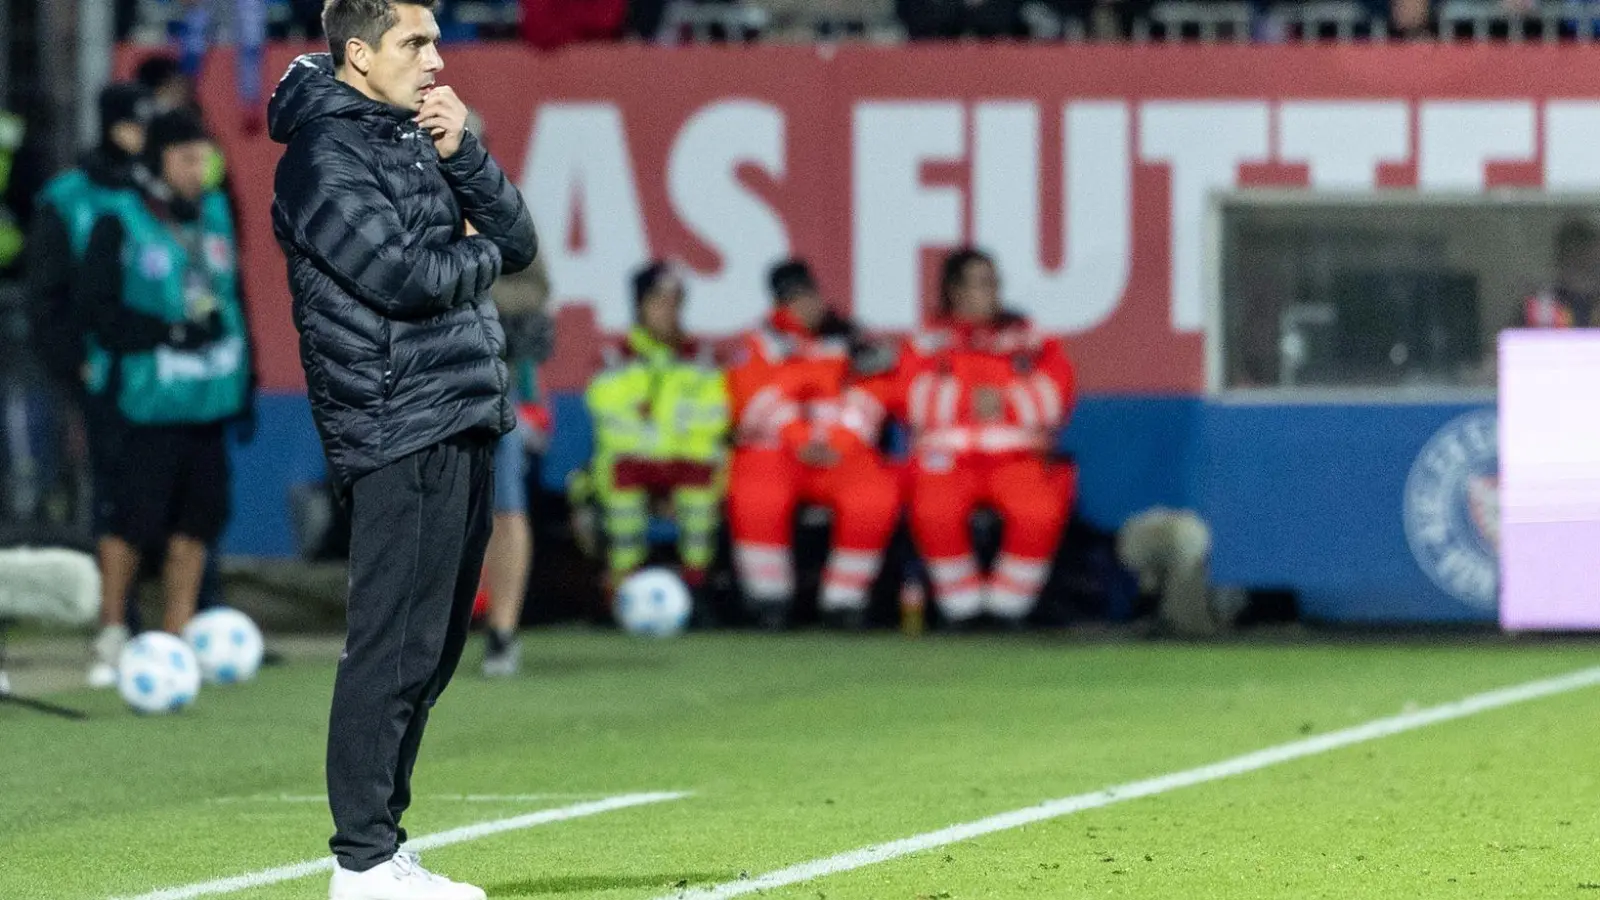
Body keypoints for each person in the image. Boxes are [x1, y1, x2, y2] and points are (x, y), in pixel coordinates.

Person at [267, 0, 537, 895]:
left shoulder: (418, 137)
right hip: (391, 416)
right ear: (356, 53)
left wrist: (468, 158)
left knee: (432, 648)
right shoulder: (322, 157)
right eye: (414, 42)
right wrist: (481, 252)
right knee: (390, 644)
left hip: (457, 404)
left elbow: (520, 239)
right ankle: (362, 861)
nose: (435, 58)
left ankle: (386, 846)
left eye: (433, 39)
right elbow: (404, 279)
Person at [74, 109, 254, 683]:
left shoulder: (218, 214)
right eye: (185, 158)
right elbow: (97, 312)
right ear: (156, 161)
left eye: (202, 157)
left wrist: (245, 383)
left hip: (207, 399)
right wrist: (168, 332)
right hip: (144, 405)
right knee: (132, 521)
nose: (198, 170)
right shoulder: (119, 220)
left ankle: (175, 643)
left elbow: (235, 297)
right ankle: (110, 634)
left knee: (197, 521)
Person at [884, 248, 1077, 625]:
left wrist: (1001, 401)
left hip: (1018, 458)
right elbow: (909, 398)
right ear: (955, 291)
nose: (993, 292)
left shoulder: (1031, 339)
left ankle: (1009, 609)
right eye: (982, 284)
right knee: (934, 510)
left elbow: (1057, 396)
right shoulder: (924, 342)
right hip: (944, 460)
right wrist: (973, 400)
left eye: (994, 283)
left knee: (1038, 510)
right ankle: (962, 609)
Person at [725, 259, 901, 628]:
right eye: (794, 298)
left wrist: (840, 439)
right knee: (756, 488)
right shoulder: (758, 343)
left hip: (842, 450)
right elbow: (754, 400)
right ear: (778, 303)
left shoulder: (853, 338)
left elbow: (876, 391)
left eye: (809, 295)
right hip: (780, 450)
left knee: (874, 493)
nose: (806, 305)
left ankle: (844, 600)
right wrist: (799, 438)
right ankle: (769, 600)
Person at [581, 262, 728, 602]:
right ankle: (623, 588)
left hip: (685, 463)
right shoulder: (616, 359)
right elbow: (611, 422)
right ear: (640, 306)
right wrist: (654, 458)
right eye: (658, 302)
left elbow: (712, 419)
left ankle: (696, 588)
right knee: (620, 482)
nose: (667, 311)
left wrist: (672, 463)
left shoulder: (701, 359)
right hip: (633, 464)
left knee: (700, 486)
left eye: (674, 302)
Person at [1517, 219, 1600, 327]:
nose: (1581, 261)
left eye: (1588, 259)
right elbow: (1511, 340)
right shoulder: (1539, 304)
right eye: (1572, 256)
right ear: (1560, 260)